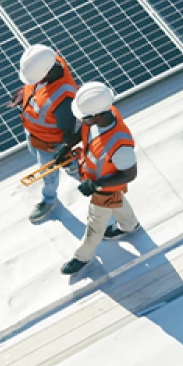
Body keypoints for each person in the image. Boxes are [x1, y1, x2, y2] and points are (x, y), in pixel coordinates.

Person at [55, 81, 141, 275]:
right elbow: (85, 132)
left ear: (97, 115)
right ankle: (129, 225)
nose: (82, 120)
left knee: (95, 224)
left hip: (103, 187)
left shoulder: (120, 145)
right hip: (97, 179)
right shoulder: (100, 117)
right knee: (117, 202)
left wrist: (96, 185)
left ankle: (82, 257)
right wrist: (67, 148)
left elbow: (130, 174)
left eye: (84, 117)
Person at [8, 44, 78, 223]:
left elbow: (69, 132)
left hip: (50, 145)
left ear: (46, 72)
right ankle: (72, 164)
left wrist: (62, 151)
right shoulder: (45, 61)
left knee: (48, 174)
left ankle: (49, 200)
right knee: (35, 152)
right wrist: (23, 94)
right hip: (34, 134)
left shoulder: (64, 100)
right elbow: (36, 89)